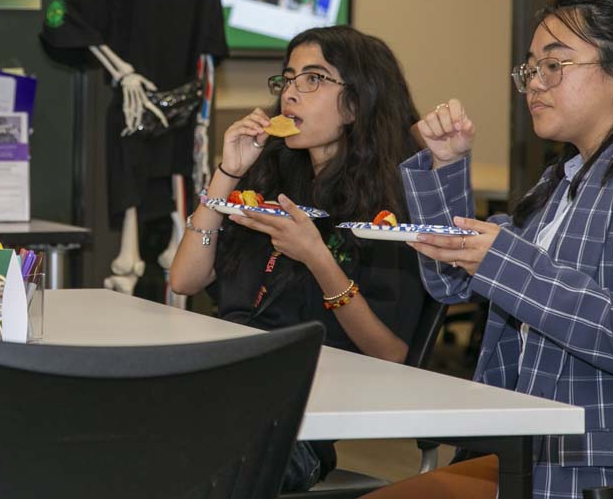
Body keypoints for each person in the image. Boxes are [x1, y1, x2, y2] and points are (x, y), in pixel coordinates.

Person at [370, 0, 613, 499]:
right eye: (530, 69)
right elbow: (451, 282)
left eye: (555, 65)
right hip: (526, 448)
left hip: (598, 470)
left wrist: (511, 266)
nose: (535, 83)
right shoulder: (566, 177)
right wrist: (446, 168)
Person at [169, 25, 426, 491]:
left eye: (313, 79)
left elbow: (390, 353)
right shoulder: (269, 181)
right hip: (223, 391)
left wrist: (317, 258)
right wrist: (227, 173)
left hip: (297, 422)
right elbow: (185, 279)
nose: (291, 94)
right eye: (287, 80)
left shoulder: (391, 212)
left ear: (356, 102)